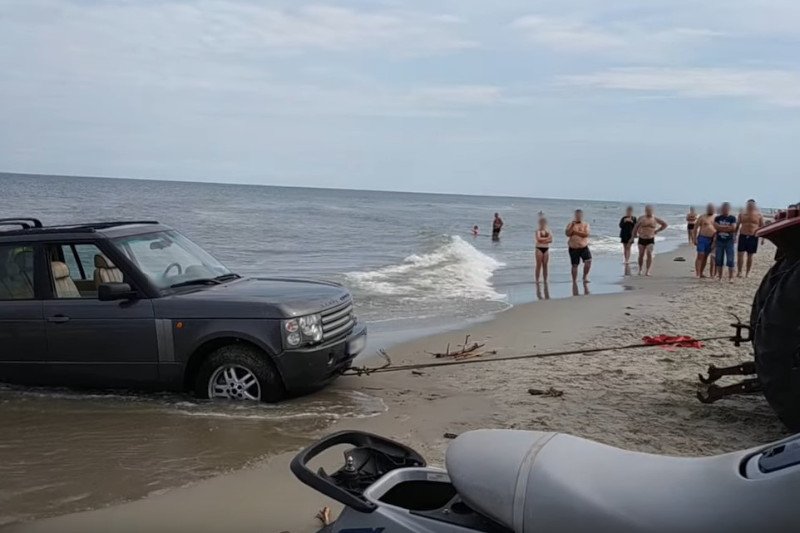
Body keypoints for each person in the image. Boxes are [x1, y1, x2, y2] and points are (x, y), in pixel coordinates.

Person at [632, 205, 668, 276]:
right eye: (647, 210)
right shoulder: (641, 218)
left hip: (650, 239)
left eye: (650, 210)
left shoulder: (655, 219)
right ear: (645, 211)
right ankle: (640, 269)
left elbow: (665, 224)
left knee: (649, 253)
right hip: (642, 238)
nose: (649, 212)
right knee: (641, 254)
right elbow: (636, 226)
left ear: (652, 211)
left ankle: (647, 271)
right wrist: (634, 234)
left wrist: (657, 230)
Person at [737, 199, 764, 278]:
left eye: (752, 205)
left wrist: (763, 238)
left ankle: (747, 273)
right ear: (747, 205)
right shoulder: (742, 214)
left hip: (753, 236)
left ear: (754, 205)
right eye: (749, 204)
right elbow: (738, 225)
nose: (750, 206)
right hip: (743, 235)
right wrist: (734, 235)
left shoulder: (759, 215)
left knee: (750, 255)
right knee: (740, 254)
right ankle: (739, 271)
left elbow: (762, 227)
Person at [565, 209, 591, 283]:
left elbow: (586, 234)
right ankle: (574, 280)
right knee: (574, 265)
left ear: (582, 216)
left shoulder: (585, 224)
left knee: (588, 261)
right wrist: (572, 227)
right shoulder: (571, 224)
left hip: (583, 247)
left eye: (579, 215)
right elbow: (567, 234)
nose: (578, 217)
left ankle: (585, 276)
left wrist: (575, 232)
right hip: (573, 247)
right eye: (577, 215)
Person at [714, 202, 737, 282]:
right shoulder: (717, 218)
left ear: (729, 209)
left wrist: (721, 228)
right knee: (719, 259)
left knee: (730, 259)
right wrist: (727, 227)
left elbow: (733, 228)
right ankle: (720, 277)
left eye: (726, 209)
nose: (725, 210)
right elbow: (716, 227)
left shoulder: (732, 218)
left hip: (729, 241)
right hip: (719, 241)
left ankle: (731, 277)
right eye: (723, 209)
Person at [694, 203, 717, 278]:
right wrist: (694, 238)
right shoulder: (702, 217)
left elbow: (718, 229)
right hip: (702, 238)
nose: (711, 210)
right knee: (700, 255)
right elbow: (695, 228)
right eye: (710, 208)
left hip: (711, 239)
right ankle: (697, 273)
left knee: (706, 256)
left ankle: (701, 272)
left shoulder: (716, 217)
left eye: (712, 208)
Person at [534, 217, 552, 284]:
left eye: (544, 223)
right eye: (541, 223)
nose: (542, 224)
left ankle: (545, 280)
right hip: (539, 248)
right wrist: (547, 239)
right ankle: (537, 280)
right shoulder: (538, 231)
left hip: (546, 248)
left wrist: (543, 240)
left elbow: (551, 240)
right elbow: (538, 239)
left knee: (545, 265)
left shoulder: (548, 231)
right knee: (538, 264)